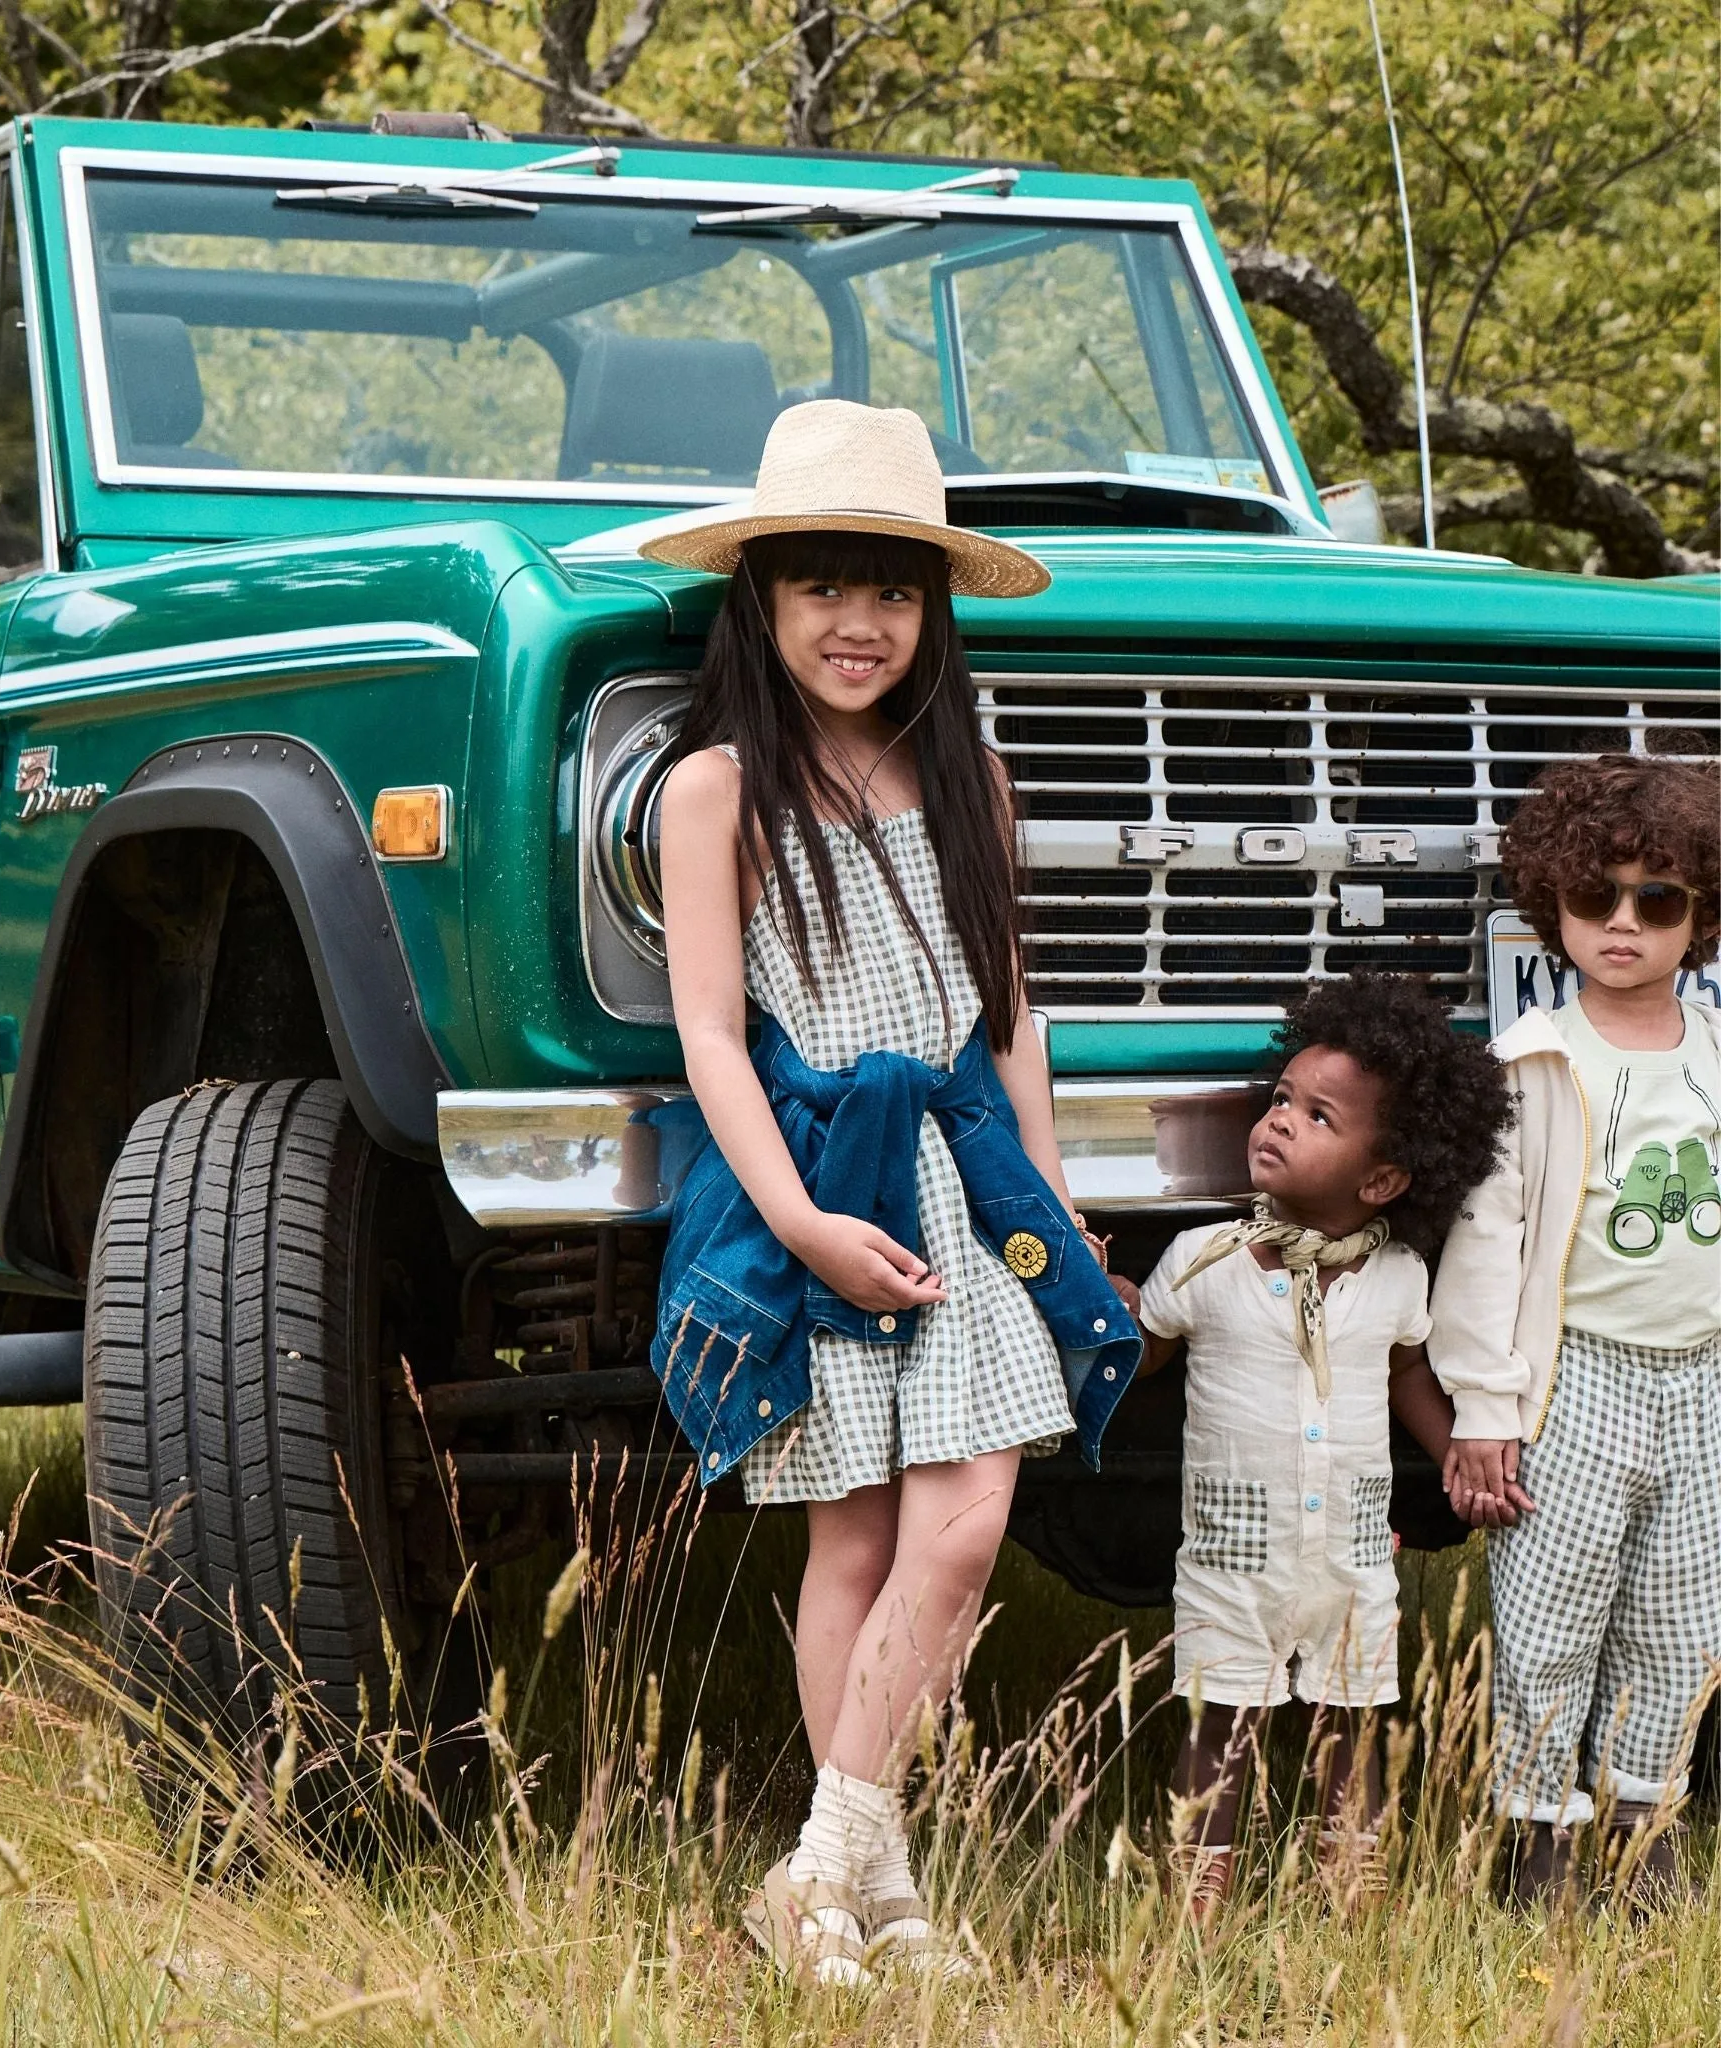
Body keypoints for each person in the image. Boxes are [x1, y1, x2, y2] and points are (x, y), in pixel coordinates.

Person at [641, 400, 1140, 1986]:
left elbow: (1009, 1023)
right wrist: (796, 1225)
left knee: (969, 1523)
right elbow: (711, 1038)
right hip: (826, 1178)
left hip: (965, 1183)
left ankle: (819, 1861)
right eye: (823, 588)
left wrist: (1051, 1216)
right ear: (763, 602)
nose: (860, 624)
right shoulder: (715, 787)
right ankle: (885, 1886)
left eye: (895, 591)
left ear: (934, 613)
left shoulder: (967, 777)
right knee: (851, 1543)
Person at [1121, 973, 1514, 1921]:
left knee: (1354, 1725)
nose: (1280, 1121)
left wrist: (1460, 1448)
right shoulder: (1204, 1261)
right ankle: (1199, 1901)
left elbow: (1408, 1376)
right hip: (1233, 1558)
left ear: (1381, 1181)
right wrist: (1113, 1306)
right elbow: (1143, 1358)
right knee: (1221, 1724)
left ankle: (1353, 1895)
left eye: (1317, 1116)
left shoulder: (1396, 1276)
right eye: (1280, 1100)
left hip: (1347, 1559)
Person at [1430, 753, 1721, 1909]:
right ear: (1550, 905)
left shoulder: (1713, 1058)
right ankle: (1539, 1845)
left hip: (1699, 1379)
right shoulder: (1533, 1062)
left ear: (1697, 917)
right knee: (1552, 1621)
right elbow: (1484, 1250)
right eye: (1593, 895)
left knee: (1680, 1623)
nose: (1621, 921)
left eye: (1656, 900)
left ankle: (1644, 1836)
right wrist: (1485, 1407)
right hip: (1575, 1379)